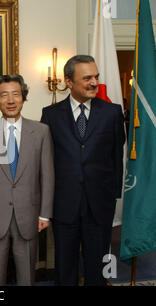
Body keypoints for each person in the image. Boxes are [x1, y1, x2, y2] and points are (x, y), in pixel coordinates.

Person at [41, 55, 125, 286]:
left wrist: (113, 194)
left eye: (96, 77)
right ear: (68, 82)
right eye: (87, 78)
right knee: (65, 268)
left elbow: (117, 156)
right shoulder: (50, 115)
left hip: (99, 205)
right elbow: (46, 161)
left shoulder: (113, 113)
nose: (94, 82)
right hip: (64, 205)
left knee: (96, 270)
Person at [0, 75, 54, 285]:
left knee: (27, 277)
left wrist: (45, 213)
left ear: (23, 98)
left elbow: (48, 175)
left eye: (16, 94)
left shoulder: (41, 132)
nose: (10, 100)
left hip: (30, 216)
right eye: (4, 95)